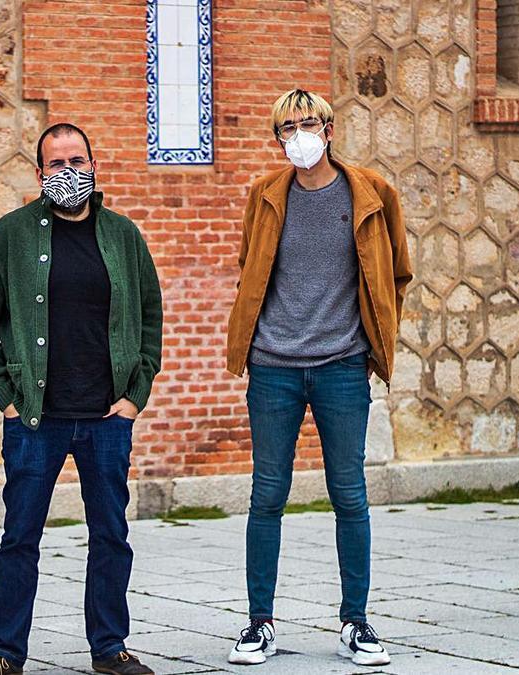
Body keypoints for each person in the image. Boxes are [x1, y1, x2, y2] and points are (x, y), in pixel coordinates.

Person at [0, 123, 163, 675]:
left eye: (77, 161)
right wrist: (3, 395)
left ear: (94, 166)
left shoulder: (123, 236)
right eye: (56, 164)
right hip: (34, 419)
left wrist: (134, 396)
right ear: (39, 174)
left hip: (105, 418)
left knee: (111, 537)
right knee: (19, 538)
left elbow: (149, 320)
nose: (67, 172)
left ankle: (109, 648)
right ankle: (5, 653)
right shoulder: (11, 235)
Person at [223, 89, 412, 667]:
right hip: (275, 367)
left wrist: (373, 337)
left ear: (329, 130)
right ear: (278, 138)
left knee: (349, 495)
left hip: (341, 367)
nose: (298, 136)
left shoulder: (371, 193)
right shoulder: (263, 195)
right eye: (286, 129)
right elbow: (247, 269)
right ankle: (258, 624)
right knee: (267, 496)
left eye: (307, 124)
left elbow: (396, 271)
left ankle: (356, 623)